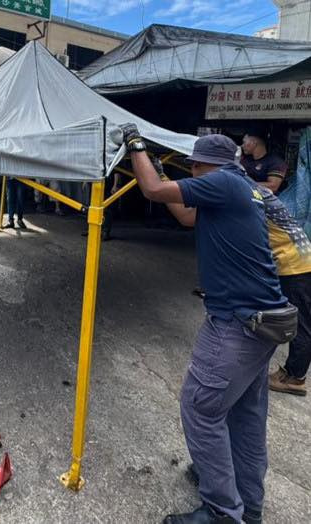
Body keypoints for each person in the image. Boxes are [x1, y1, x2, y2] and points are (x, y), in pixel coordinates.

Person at [122, 126, 289, 524]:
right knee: (244, 416)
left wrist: (136, 146)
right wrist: (162, 169)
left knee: (200, 407)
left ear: (201, 166)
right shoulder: (241, 186)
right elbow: (185, 216)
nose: (192, 174)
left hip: (237, 323)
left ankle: (221, 510)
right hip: (263, 322)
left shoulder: (223, 183)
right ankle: (247, 503)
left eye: (192, 168)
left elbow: (151, 190)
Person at [258, 189, 311, 396]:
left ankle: (295, 378)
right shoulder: (269, 199)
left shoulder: (254, 199)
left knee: (301, 324)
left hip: (295, 267)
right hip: (302, 261)